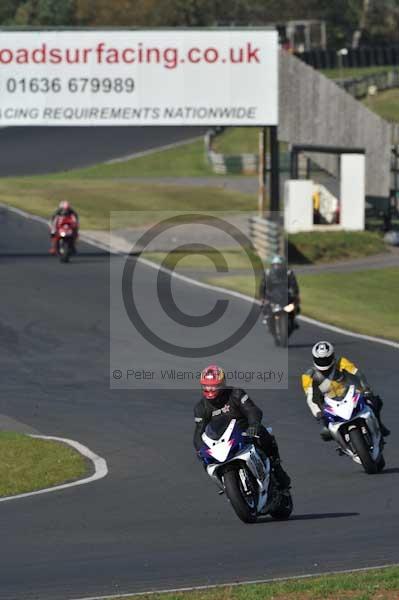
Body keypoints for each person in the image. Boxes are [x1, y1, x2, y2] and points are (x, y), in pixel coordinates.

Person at [193, 364, 291, 490]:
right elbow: (199, 431)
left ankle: (277, 467)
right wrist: (199, 448)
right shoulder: (201, 407)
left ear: (222, 384)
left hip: (244, 432)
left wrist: (254, 425)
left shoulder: (236, 393)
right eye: (206, 386)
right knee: (204, 459)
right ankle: (224, 485)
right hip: (221, 441)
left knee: (262, 431)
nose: (210, 389)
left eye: (213, 385)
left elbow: (252, 410)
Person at [301, 341, 390, 441]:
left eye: (326, 359)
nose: (324, 362)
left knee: (375, 401)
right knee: (325, 433)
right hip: (330, 404)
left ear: (332, 356)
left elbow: (357, 373)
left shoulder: (341, 362)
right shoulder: (308, 376)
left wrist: (366, 388)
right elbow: (310, 397)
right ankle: (341, 441)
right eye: (320, 360)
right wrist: (317, 413)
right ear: (314, 359)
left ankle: (379, 426)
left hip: (349, 393)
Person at [259, 255, 300, 330]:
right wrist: (262, 296)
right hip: (272, 296)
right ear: (272, 265)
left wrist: (295, 293)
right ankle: (267, 317)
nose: (277, 267)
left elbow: (294, 284)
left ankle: (293, 319)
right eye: (275, 265)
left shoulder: (288, 273)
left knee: (295, 303)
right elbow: (263, 285)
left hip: (285, 295)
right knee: (264, 303)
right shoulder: (267, 273)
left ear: (283, 265)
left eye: (279, 265)